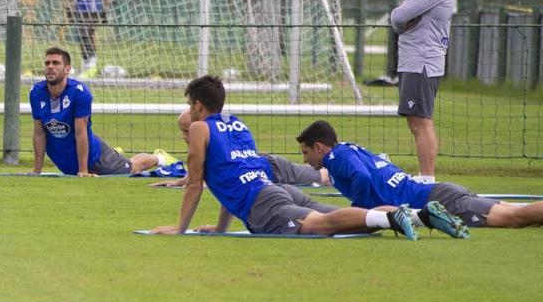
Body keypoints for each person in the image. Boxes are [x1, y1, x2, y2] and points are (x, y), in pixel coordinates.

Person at [151, 76, 426, 239]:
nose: (190, 111)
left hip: (264, 204)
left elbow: (196, 184)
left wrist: (180, 228)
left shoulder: (200, 128)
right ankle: (418, 216)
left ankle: (396, 218)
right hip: (276, 190)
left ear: (198, 105)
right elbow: (231, 179)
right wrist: (221, 228)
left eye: (190, 105)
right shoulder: (238, 125)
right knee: (351, 219)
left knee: (320, 226)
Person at [297, 119, 543, 230]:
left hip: (435, 201)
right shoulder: (349, 149)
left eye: (306, 152)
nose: (305, 159)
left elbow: (362, 177)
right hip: (438, 193)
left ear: (319, 147)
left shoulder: (335, 158)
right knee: (517, 212)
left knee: (516, 217)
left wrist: (361, 211)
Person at [30, 47, 173, 177]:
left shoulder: (79, 92)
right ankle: (116, 153)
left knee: (133, 167)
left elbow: (81, 132)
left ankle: (160, 157)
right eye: (47, 63)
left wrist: (83, 171)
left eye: (55, 63)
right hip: (65, 159)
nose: (50, 67)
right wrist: (36, 172)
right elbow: (39, 132)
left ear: (67, 69)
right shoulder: (36, 92)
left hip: (95, 157)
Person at [390, 0, 455, 183]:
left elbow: (399, 16)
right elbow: (402, 18)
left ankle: (427, 178)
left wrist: (398, 18)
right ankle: (426, 176)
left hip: (422, 60)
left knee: (420, 120)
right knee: (416, 119)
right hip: (416, 59)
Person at [150, 110, 331, 188]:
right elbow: (200, 170)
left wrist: (200, 184)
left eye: (186, 131)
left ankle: (337, 163)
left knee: (323, 178)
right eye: (182, 131)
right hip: (259, 169)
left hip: (272, 168)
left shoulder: (216, 139)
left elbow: (223, 171)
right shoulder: (208, 139)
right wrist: (178, 182)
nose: (184, 136)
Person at [65, 0, 110, 78]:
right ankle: (88, 63)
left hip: (82, 10)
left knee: (84, 36)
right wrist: (106, 10)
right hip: (95, 10)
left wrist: (68, 8)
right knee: (89, 35)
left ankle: (90, 64)